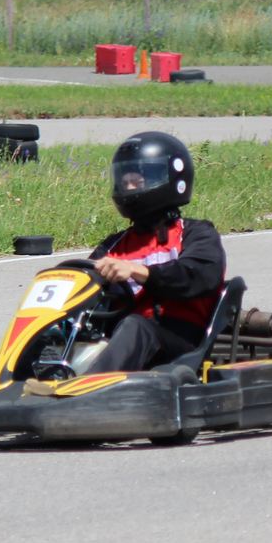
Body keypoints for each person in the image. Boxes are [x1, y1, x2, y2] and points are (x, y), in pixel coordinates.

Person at [86, 131, 226, 372]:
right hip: (124, 341)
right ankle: (22, 379)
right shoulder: (113, 245)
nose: (129, 187)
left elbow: (198, 275)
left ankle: (83, 391)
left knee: (136, 326)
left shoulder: (195, 233)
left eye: (138, 180)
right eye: (125, 180)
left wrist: (140, 272)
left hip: (181, 343)